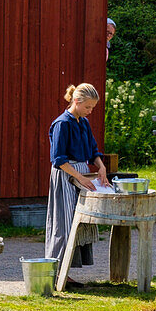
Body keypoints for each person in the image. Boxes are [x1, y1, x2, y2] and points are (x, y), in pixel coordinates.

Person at [45, 82, 108, 281]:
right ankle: (55, 273)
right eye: (88, 107)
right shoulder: (62, 124)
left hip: (82, 175)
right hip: (66, 175)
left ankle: (67, 272)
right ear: (76, 101)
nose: (90, 111)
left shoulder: (83, 123)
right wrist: (79, 177)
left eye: (93, 108)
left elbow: (93, 151)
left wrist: (101, 167)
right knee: (64, 223)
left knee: (79, 223)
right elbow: (58, 159)